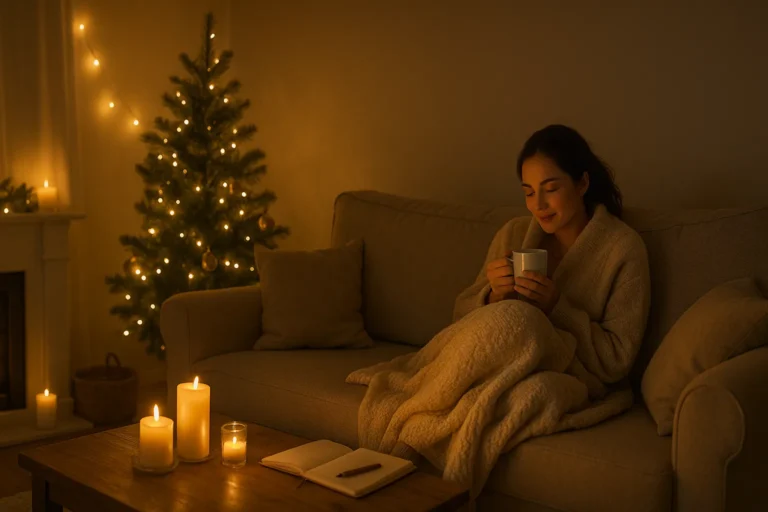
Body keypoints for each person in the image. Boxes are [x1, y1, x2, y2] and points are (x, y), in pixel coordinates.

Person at [453, 123, 651, 389]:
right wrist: (493, 296)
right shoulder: (514, 234)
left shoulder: (622, 249)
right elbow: (458, 322)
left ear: (582, 183)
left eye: (551, 189)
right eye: (529, 192)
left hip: (564, 377)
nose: (538, 204)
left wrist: (556, 308)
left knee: (531, 390)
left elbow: (617, 359)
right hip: (492, 365)